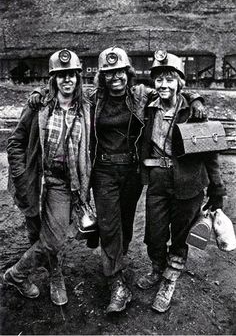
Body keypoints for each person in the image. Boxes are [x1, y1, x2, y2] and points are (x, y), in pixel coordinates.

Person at [27, 46, 206, 314]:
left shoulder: (141, 95)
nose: (116, 78)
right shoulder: (93, 97)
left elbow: (174, 90)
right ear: (102, 76)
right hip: (103, 173)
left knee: (124, 224)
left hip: (132, 174)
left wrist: (196, 99)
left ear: (128, 73)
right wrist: (39, 92)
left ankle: (118, 262)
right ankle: (117, 285)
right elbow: (65, 88)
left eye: (120, 72)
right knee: (109, 226)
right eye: (109, 73)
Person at [137, 50, 226, 312]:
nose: (164, 85)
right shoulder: (149, 108)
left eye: (170, 79)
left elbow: (210, 153)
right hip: (158, 180)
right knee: (154, 233)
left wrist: (217, 189)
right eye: (159, 80)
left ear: (179, 82)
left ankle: (169, 278)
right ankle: (156, 268)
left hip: (189, 183)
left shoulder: (194, 112)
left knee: (181, 235)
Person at [3, 49, 92, 306]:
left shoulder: (86, 107)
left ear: (77, 78)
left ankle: (16, 275)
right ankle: (56, 275)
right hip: (36, 182)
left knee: (53, 239)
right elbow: (15, 142)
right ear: (53, 79)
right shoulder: (39, 106)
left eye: (71, 75)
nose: (67, 80)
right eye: (61, 75)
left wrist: (193, 97)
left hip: (64, 185)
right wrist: (21, 175)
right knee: (36, 235)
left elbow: (124, 89)